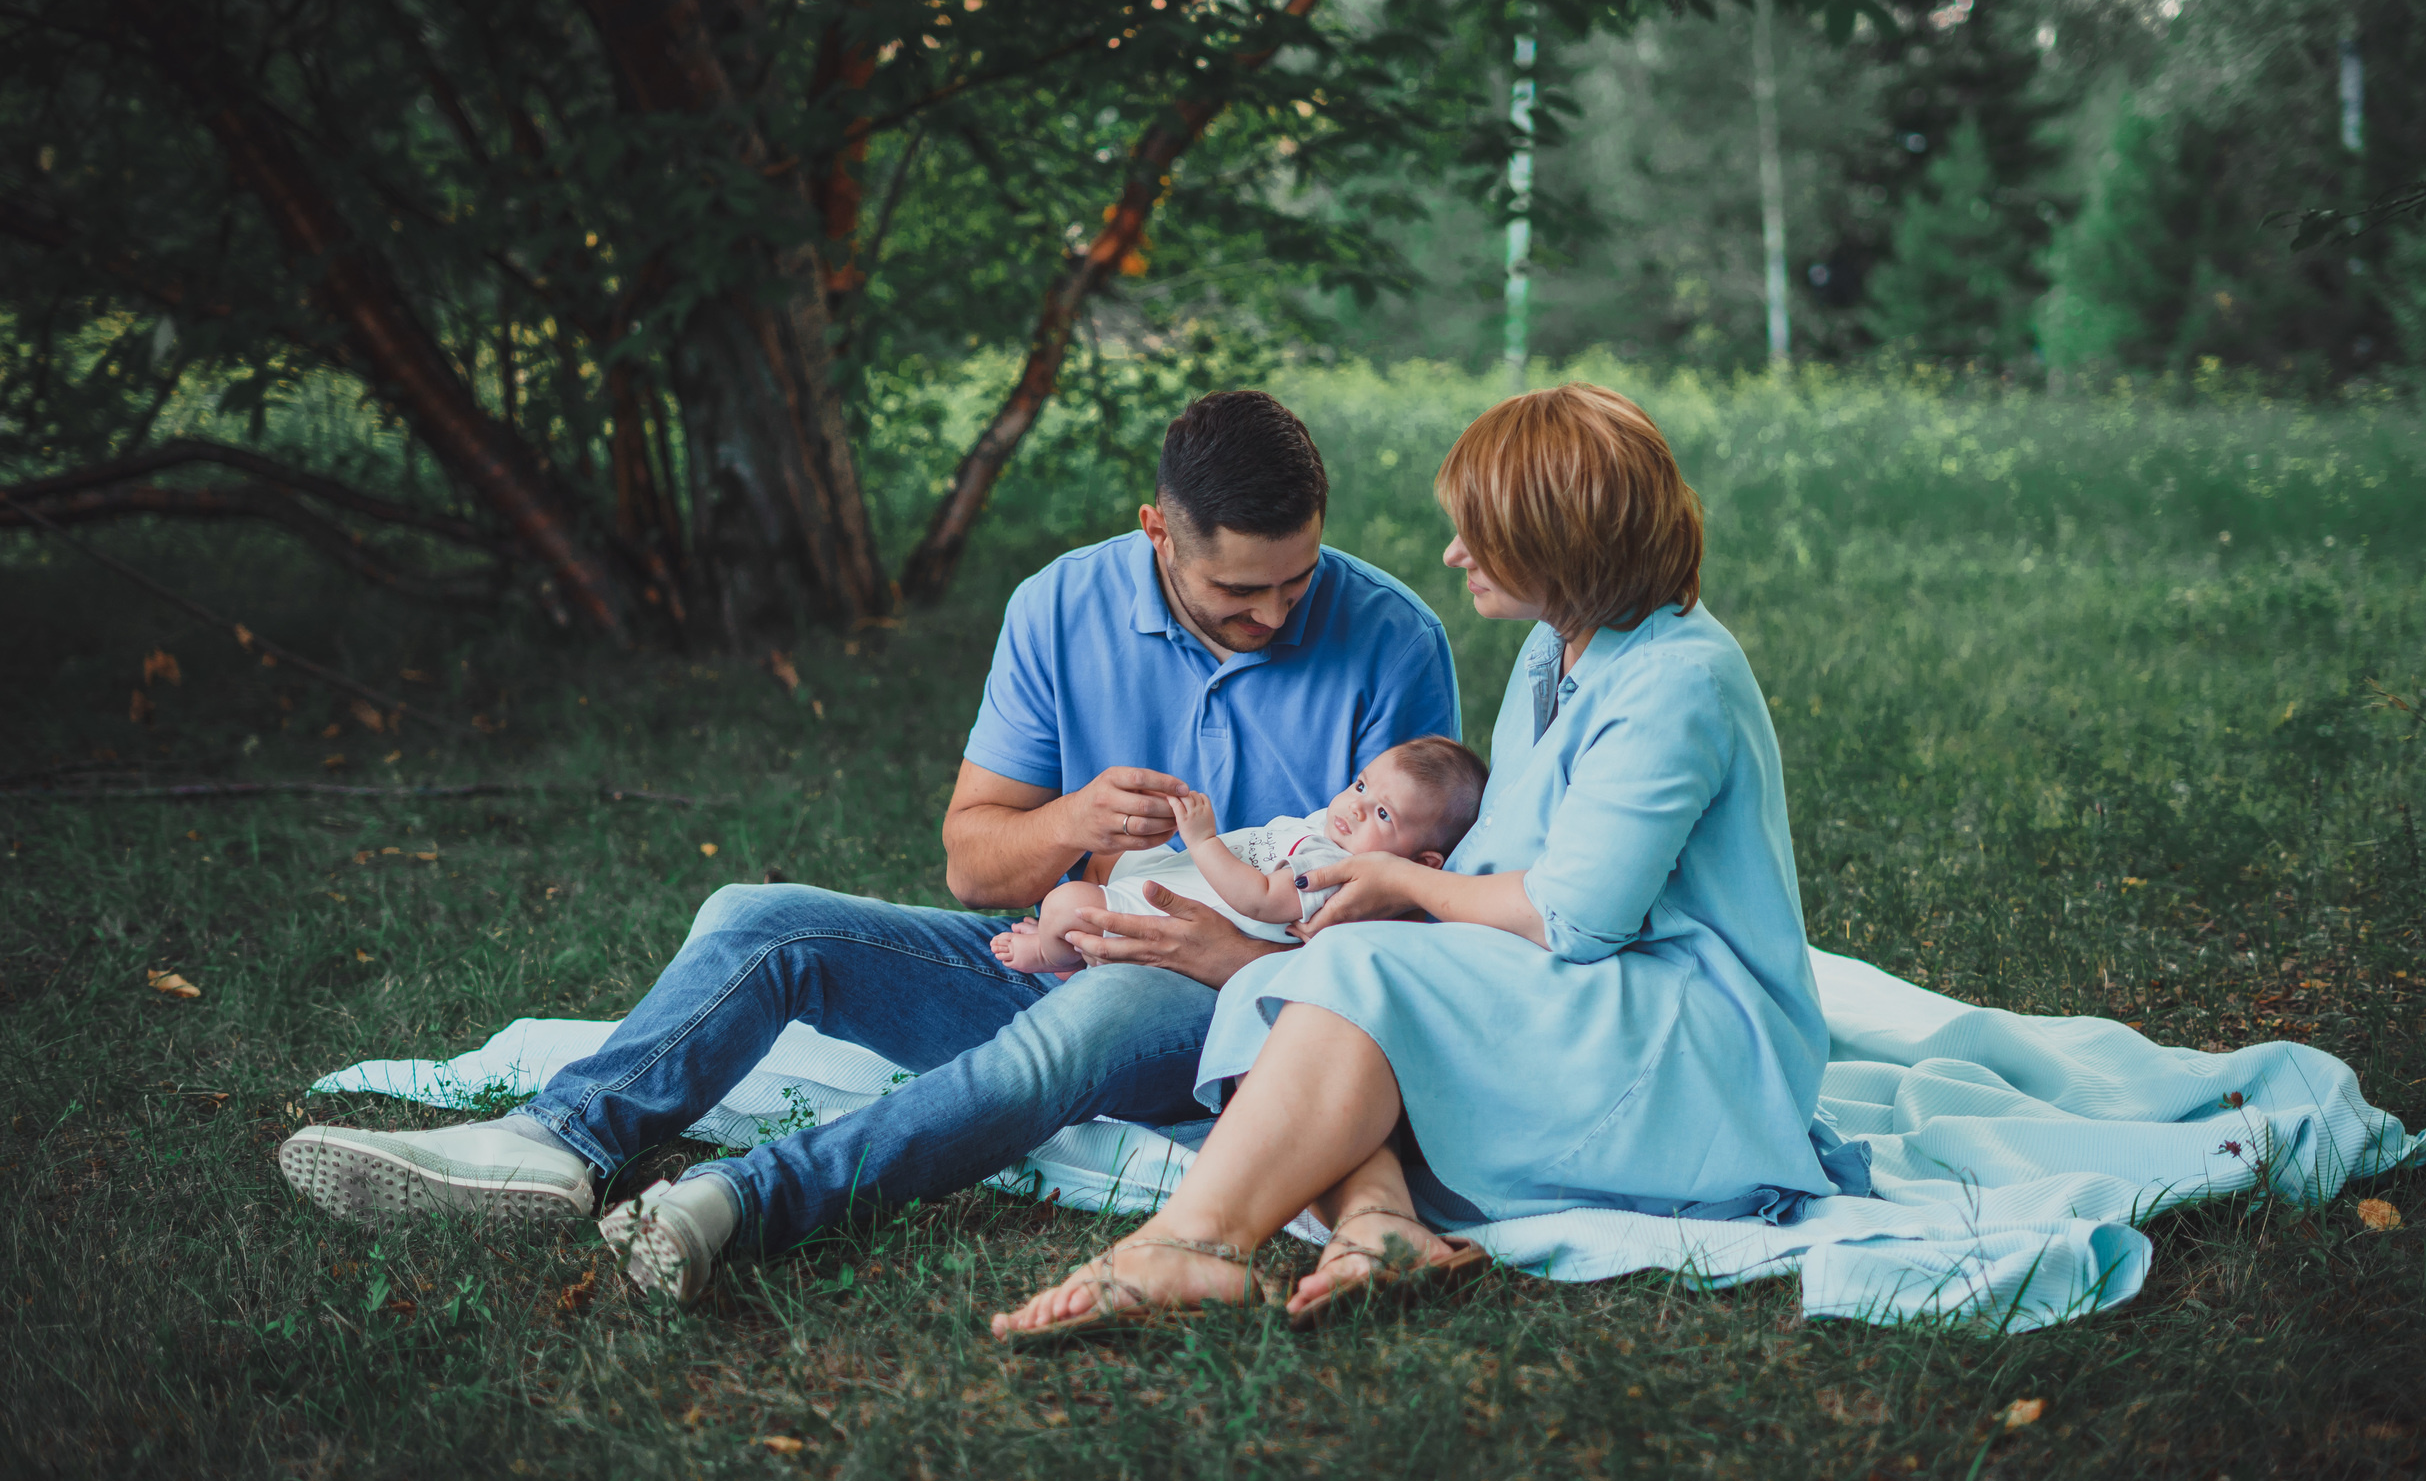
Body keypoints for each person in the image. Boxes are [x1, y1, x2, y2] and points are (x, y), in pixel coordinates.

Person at [276, 390, 1460, 1300]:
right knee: (756, 918)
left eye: (1297, 583)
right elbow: (972, 866)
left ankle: (731, 1206)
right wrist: (1070, 829)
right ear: (1157, 533)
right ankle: (557, 1143)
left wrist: (1220, 952)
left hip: (1240, 1014)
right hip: (1047, 944)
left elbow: (1401, 936)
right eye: (1238, 593)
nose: (1274, 617)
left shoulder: (1391, 638)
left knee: (1071, 1036)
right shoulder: (1058, 604)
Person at [990, 381, 1846, 1342]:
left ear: (1564, 542)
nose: (1453, 553)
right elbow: (1510, 861)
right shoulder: (1555, 651)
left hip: (1698, 1038)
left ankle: (1193, 1239)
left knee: (1348, 968)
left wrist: (1399, 881)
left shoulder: (1676, 684)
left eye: (1480, 533)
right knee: (1314, 975)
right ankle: (1376, 1221)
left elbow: (1577, 917)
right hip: (1598, 992)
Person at [989, 735, 1489, 971]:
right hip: (1184, 883)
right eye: (1361, 786)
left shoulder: (1338, 872)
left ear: (1422, 863)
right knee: (1120, 863)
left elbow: (1262, 902)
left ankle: (1052, 956)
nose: (1356, 808)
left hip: (1171, 926)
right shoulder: (1333, 833)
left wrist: (1203, 840)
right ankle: (1075, 937)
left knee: (1066, 904)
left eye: (1384, 815)